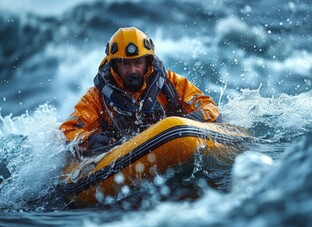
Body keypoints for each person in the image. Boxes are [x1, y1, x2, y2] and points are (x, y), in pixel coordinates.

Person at [60, 27, 222, 155]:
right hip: (121, 160)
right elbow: (67, 131)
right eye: (125, 64)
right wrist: (91, 139)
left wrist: (193, 119)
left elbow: (209, 107)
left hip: (178, 142)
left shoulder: (171, 83)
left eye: (138, 63)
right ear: (114, 66)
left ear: (148, 62)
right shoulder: (95, 98)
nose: (132, 70)